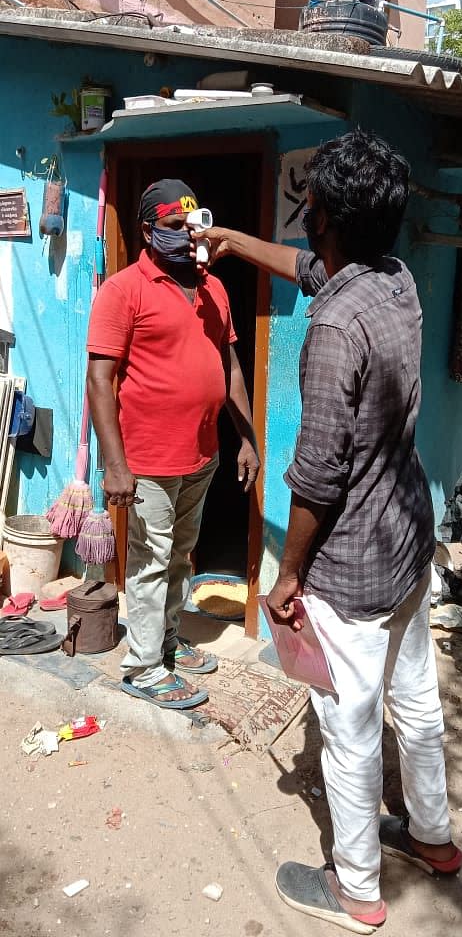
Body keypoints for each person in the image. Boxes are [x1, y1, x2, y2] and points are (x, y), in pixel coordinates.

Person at [194, 130, 462, 933]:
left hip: (354, 566)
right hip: (412, 538)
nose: (301, 217)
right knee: (414, 699)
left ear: (327, 219)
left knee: (347, 729)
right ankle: (433, 838)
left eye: (306, 206)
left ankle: (355, 889)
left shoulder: (334, 331)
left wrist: (287, 577)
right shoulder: (392, 278)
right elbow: (308, 268)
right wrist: (234, 242)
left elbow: (316, 480)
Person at [86, 179, 259, 710]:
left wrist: (246, 438)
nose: (187, 236)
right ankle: (141, 666)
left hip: (202, 453)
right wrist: (115, 466)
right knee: (151, 557)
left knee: (181, 554)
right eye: (173, 227)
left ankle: (165, 641)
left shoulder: (215, 289)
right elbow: (99, 379)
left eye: (192, 225)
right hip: (147, 458)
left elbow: (229, 368)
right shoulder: (123, 290)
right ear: (147, 231)